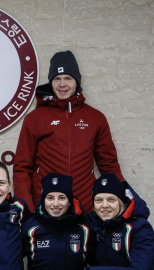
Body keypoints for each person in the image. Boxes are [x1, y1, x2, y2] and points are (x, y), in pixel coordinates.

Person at [13, 50, 123, 212]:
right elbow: (22, 167)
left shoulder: (95, 118)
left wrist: (122, 196)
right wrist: (26, 207)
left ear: (76, 82)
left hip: (85, 206)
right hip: (47, 207)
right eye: (57, 79)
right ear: (51, 82)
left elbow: (109, 165)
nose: (62, 84)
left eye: (68, 78)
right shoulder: (35, 118)